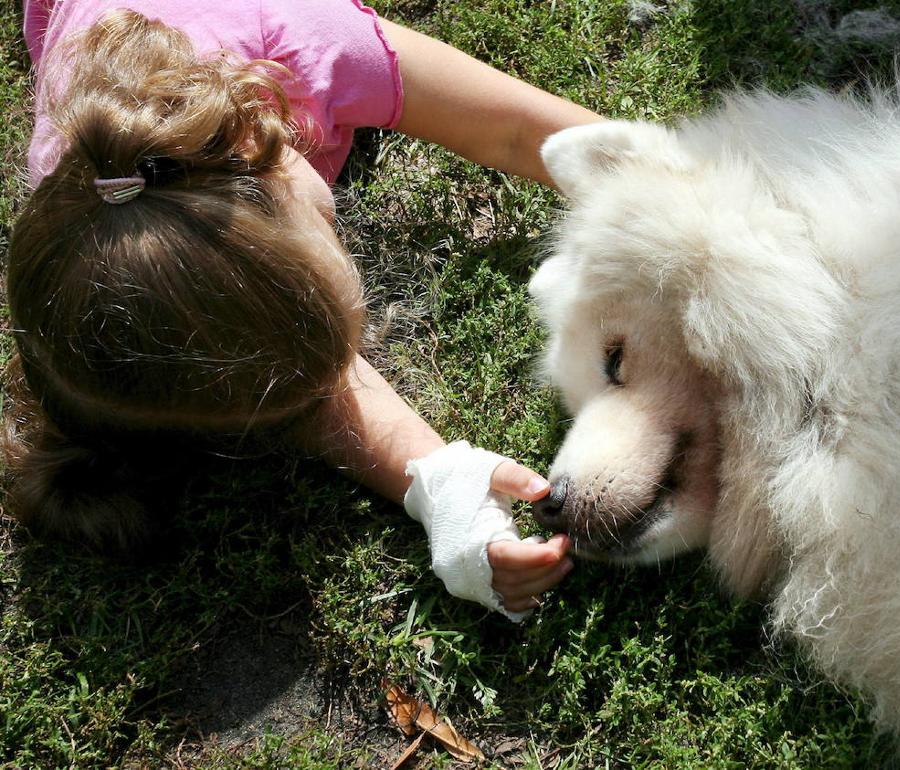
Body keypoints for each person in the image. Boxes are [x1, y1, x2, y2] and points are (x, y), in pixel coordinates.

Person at [8, 0, 601, 619]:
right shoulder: (94, 225)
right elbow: (286, 371)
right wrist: (439, 482)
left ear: (254, 148)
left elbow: (519, 131)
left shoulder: (303, 39)